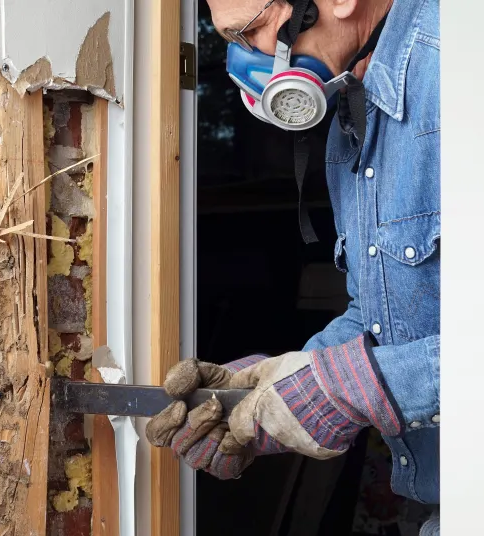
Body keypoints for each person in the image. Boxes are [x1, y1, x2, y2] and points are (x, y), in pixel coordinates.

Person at [145, 0, 440, 533]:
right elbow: (384, 313)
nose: (248, 61)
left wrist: (349, 390)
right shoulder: (354, 111)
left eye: (251, 31)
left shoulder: (475, 73)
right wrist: (267, 395)